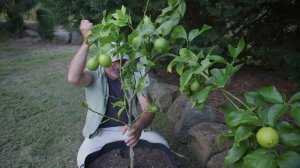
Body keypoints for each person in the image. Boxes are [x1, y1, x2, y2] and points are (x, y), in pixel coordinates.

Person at [67, 20, 169, 168]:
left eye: (122, 61)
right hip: (100, 134)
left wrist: (138, 126)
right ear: (104, 60)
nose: (119, 66)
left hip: (129, 128)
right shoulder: (95, 74)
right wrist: (86, 42)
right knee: (84, 161)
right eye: (114, 61)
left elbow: (148, 108)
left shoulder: (134, 75)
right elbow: (73, 78)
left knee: (162, 145)